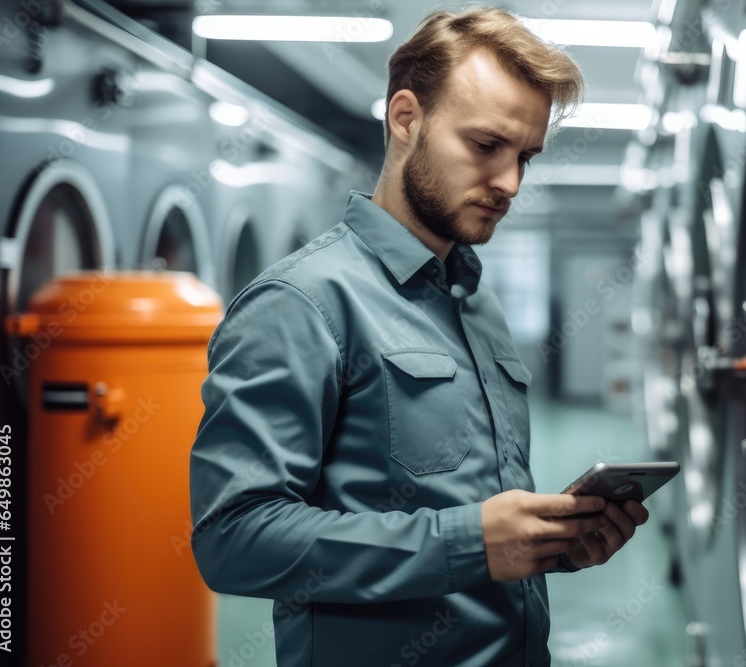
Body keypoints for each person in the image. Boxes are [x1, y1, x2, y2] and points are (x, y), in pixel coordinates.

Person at [190, 7, 649, 666]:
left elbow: (470, 515)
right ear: (406, 118)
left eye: (526, 156)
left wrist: (554, 545)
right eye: (487, 146)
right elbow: (232, 538)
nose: (511, 183)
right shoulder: (302, 303)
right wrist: (468, 543)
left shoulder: (474, 300)